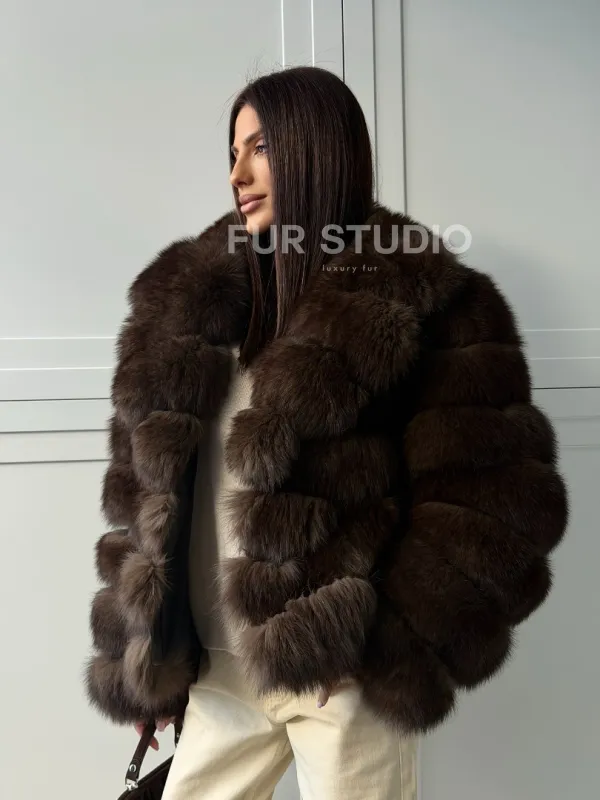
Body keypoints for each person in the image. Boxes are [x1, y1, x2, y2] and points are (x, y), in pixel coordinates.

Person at [85, 66, 568, 799]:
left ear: (318, 149)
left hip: (342, 684)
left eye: (261, 148)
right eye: (233, 152)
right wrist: (146, 656)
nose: (238, 174)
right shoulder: (186, 309)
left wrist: (388, 642)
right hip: (217, 673)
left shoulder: (423, 300)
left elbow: (496, 505)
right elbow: (143, 503)